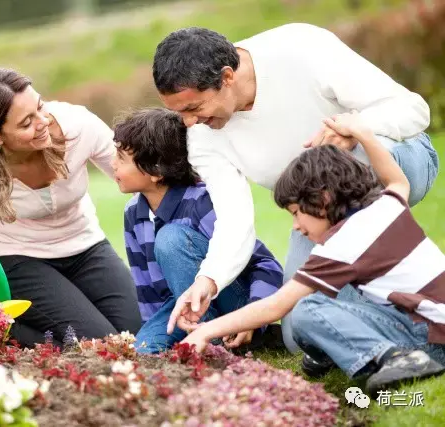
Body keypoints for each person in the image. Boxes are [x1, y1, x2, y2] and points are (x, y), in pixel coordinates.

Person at [152, 23, 439, 356]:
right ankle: (403, 326)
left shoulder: (300, 48)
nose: (188, 122)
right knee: (300, 337)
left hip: (395, 161)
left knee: (351, 161)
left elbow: (412, 110)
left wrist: (357, 130)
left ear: (227, 77)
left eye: (193, 108)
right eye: (179, 113)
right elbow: (234, 218)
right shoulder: (202, 136)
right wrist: (208, 280)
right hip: (317, 213)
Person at [177, 111, 445, 394]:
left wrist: (207, 330)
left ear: (323, 199)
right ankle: (330, 353)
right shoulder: (385, 205)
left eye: (296, 213)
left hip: (428, 339)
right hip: (430, 323)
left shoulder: (345, 243)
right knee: (324, 306)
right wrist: (363, 134)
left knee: (307, 309)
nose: (297, 227)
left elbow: (276, 306)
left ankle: (395, 359)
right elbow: (398, 180)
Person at [0, 68, 141, 348]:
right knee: (102, 345)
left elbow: (132, 172)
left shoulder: (78, 127)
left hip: (85, 247)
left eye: (40, 107)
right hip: (18, 257)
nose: (42, 123)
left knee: (137, 337)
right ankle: (2, 327)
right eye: (26, 122)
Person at [110, 107, 283, 353]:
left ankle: (216, 346)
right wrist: (153, 332)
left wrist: (253, 317)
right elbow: (148, 290)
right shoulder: (133, 213)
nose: (112, 164)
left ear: (156, 171)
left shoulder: (201, 203)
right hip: (180, 309)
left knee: (170, 239)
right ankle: (200, 343)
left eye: (121, 158)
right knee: (142, 352)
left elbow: (267, 266)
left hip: (235, 307)